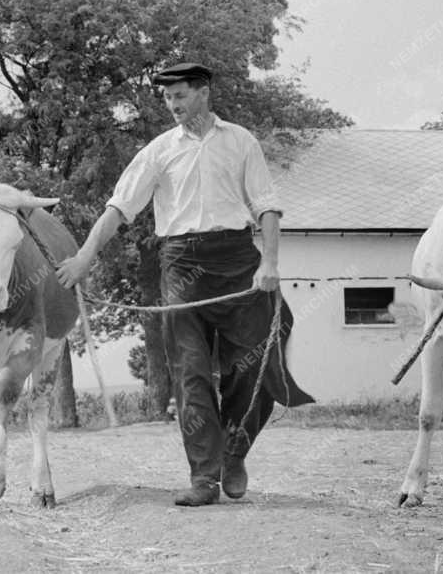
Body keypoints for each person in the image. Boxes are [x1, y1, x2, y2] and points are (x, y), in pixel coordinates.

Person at [56, 61, 314, 507]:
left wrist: (269, 262)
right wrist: (83, 258)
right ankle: (204, 477)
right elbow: (118, 209)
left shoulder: (241, 141)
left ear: (203, 92)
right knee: (190, 374)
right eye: (167, 97)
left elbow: (267, 206)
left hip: (237, 260)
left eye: (180, 95)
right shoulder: (158, 150)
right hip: (180, 267)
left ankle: (235, 451)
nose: (172, 105)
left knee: (253, 365)